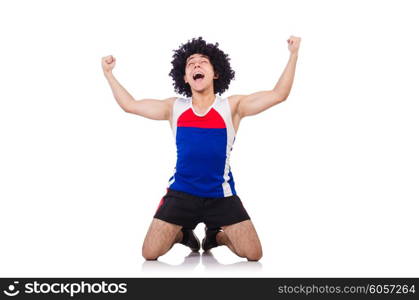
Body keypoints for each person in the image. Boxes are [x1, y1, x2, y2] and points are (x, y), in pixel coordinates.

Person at [102, 36, 301, 261]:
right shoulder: (174, 107)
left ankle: (216, 237)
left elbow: (278, 95)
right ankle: (182, 234)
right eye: (190, 63)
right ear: (185, 78)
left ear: (216, 73)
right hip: (181, 193)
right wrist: (109, 74)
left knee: (253, 254)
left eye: (203, 61)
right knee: (149, 253)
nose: (196, 65)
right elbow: (130, 105)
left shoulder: (232, 106)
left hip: (220, 194)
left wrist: (293, 55)